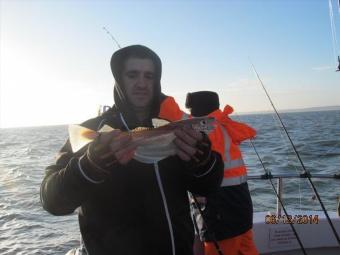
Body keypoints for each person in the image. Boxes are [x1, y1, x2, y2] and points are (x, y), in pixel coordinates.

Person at [40, 45, 224, 255]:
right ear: (119, 79)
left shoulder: (174, 128)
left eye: (149, 76)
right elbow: (51, 201)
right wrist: (89, 166)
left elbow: (208, 188)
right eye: (132, 75)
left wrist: (203, 162)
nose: (142, 83)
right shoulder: (92, 130)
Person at [185, 91, 259, 255]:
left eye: (191, 110)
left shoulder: (205, 128)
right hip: (240, 203)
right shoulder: (223, 124)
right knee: (245, 249)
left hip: (220, 209)